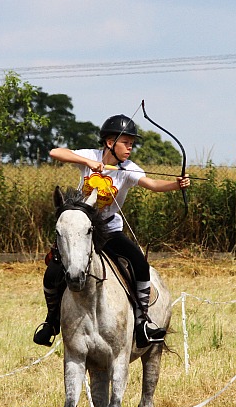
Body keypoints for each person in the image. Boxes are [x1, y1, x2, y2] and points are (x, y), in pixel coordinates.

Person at [33, 114, 190, 348]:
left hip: (109, 231)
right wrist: (88, 164)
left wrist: (176, 185)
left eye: (132, 143)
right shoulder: (90, 156)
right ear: (110, 143)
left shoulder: (129, 169)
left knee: (140, 265)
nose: (130, 148)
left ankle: (142, 323)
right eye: (125, 142)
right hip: (81, 229)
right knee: (53, 271)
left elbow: (153, 184)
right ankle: (51, 322)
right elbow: (56, 152)